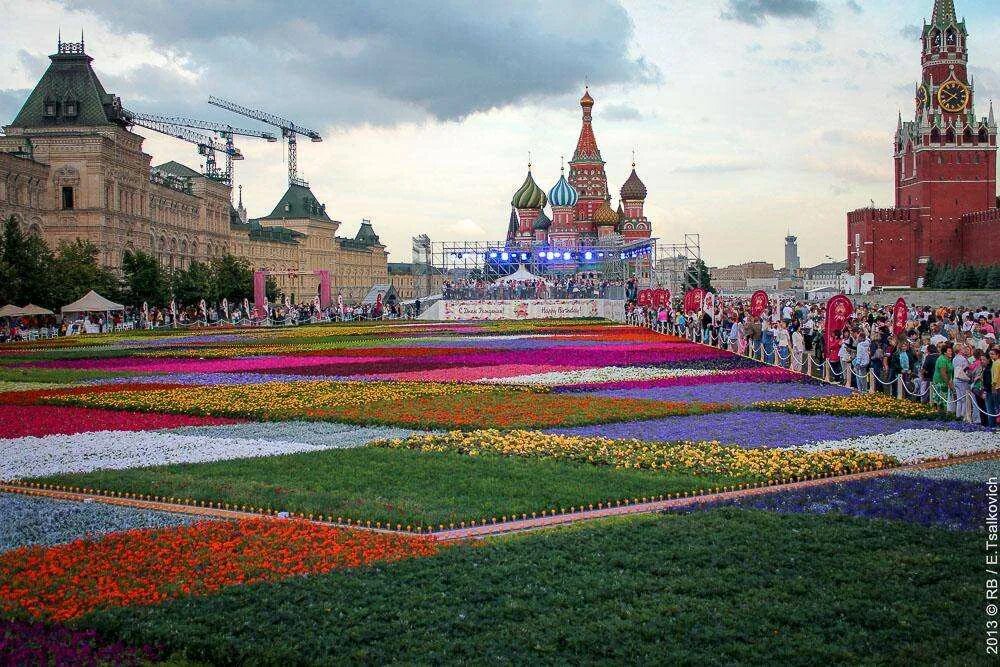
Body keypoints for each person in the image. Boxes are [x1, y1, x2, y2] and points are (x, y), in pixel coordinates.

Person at [931, 343, 955, 411]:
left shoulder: (948, 359)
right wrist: (949, 383)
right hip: (940, 382)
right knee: (940, 400)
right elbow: (943, 373)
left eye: (951, 351)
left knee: (944, 400)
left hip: (945, 382)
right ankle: (940, 414)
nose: (951, 352)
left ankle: (943, 413)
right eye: (949, 351)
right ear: (944, 352)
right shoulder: (942, 360)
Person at [952, 343, 971, 420]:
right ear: (960, 350)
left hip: (955, 379)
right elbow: (966, 369)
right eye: (963, 348)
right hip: (962, 380)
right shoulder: (963, 359)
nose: (964, 350)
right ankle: (963, 416)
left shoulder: (954, 359)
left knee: (959, 399)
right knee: (964, 400)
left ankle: (958, 415)